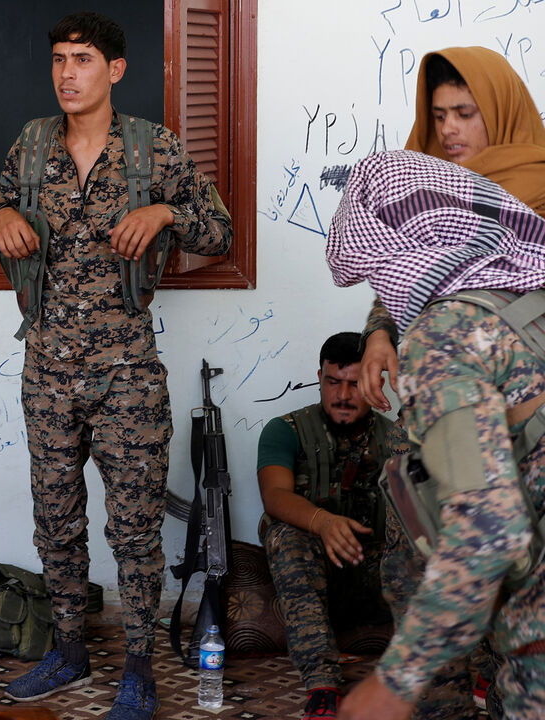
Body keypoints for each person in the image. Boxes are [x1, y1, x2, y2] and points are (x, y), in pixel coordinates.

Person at [0, 12, 231, 720]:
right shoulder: (31, 146)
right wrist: (2, 215)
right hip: (47, 369)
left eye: (84, 59)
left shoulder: (155, 150)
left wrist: (163, 213)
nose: (68, 72)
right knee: (56, 520)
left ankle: (138, 664)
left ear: (115, 70)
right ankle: (67, 648)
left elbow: (219, 231)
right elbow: (4, 207)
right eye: (59, 58)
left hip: (127, 370)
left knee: (133, 528)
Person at [326, 144, 545, 719]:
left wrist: (395, 682)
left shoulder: (446, 334)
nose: (385, 288)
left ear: (411, 253)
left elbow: (489, 530)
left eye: (380, 267)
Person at [359, 47, 545, 412]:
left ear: (499, 112)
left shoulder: (540, 185)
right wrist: (378, 335)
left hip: (528, 404)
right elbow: (409, 270)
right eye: (439, 115)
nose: (448, 129)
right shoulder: (422, 188)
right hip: (444, 399)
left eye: (464, 113)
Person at [255, 332, 408, 718]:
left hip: (377, 578)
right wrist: (322, 523)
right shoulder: (285, 429)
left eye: (355, 384)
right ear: (319, 378)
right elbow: (274, 496)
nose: (342, 395)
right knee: (285, 533)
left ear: (375, 382)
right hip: (311, 572)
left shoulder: (396, 440)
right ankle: (321, 681)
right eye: (332, 382)